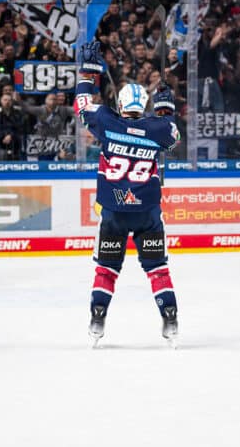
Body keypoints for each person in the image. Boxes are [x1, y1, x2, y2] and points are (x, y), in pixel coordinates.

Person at [75, 40, 181, 347]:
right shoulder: (157, 128)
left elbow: (82, 105)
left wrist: (89, 71)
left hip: (114, 211)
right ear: (143, 106)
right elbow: (172, 136)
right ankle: (170, 321)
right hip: (147, 213)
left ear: (121, 105)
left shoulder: (107, 122)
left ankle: (97, 319)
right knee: (158, 269)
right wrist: (165, 108)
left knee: (107, 270)